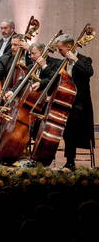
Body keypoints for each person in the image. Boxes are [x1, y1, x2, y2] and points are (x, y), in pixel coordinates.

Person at [33, 33, 93, 168]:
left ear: (69, 47)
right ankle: (42, 158)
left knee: (69, 128)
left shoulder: (84, 60)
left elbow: (89, 72)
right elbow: (53, 79)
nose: (59, 52)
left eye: (61, 49)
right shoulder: (62, 63)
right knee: (40, 120)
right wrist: (41, 83)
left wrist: (75, 60)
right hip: (63, 102)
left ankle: (70, 161)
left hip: (79, 104)